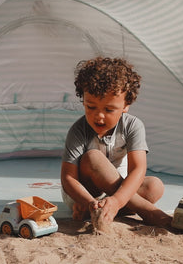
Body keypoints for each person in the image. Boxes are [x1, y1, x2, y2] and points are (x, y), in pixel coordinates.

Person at [60, 57, 172, 228]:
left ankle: (106, 209)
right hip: (84, 194)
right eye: (91, 107)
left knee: (154, 187)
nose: (99, 116)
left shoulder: (133, 126)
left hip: (117, 189)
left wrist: (117, 200)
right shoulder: (78, 130)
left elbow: (137, 169)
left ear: (126, 105)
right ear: (83, 100)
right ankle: (147, 212)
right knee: (93, 158)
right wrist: (89, 201)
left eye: (109, 109)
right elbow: (68, 178)